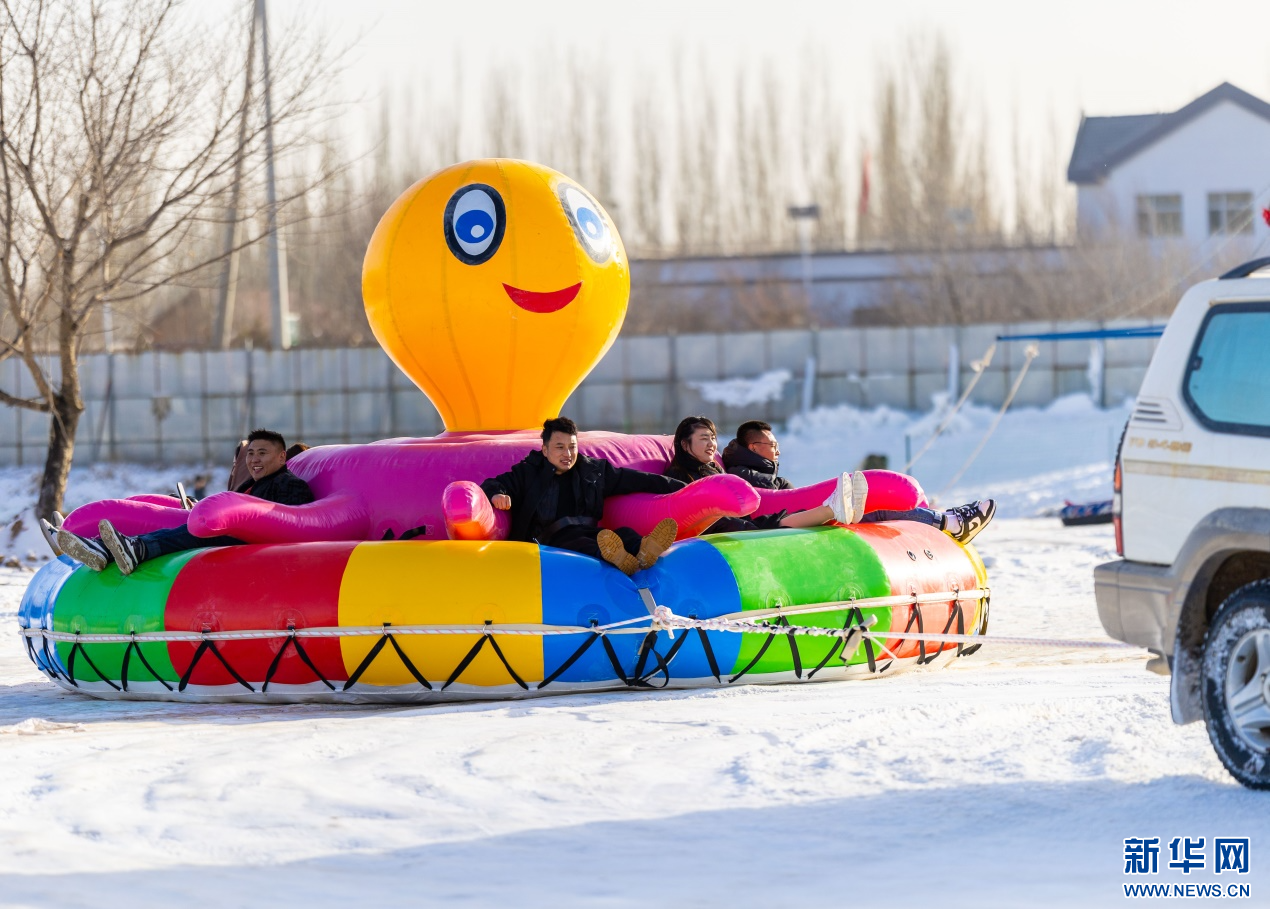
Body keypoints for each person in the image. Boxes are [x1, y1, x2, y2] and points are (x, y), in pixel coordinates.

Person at [57, 429, 315, 576]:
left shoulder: (289, 484)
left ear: (282, 457)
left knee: (194, 532)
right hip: (240, 537)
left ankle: (137, 549)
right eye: (251, 454)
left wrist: (242, 522)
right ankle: (105, 549)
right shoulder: (256, 484)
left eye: (262, 453)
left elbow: (291, 525)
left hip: (254, 547)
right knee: (183, 527)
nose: (254, 460)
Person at [715, 418, 996, 543]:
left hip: (809, 519)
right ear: (754, 448)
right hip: (792, 527)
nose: (778, 451)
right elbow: (774, 510)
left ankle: (943, 521)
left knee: (880, 511)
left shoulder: (772, 478)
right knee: (876, 509)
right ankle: (948, 523)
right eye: (773, 446)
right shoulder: (741, 477)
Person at [481, 417, 683, 576]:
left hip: (589, 531)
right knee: (582, 543)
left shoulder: (592, 471)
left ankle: (643, 549)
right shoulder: (528, 472)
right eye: (560, 447)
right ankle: (615, 557)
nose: (567, 454)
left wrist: (682, 488)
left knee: (624, 533)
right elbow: (493, 484)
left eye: (572, 447)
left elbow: (637, 479)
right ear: (545, 450)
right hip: (550, 540)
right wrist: (497, 494)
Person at [666, 415, 861, 531]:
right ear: (685, 444)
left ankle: (837, 510)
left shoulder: (714, 469)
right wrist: (744, 526)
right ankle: (832, 510)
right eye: (704, 439)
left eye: (713, 438)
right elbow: (695, 515)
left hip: (739, 522)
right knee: (774, 522)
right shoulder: (680, 475)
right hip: (723, 530)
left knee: (777, 518)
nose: (711, 444)